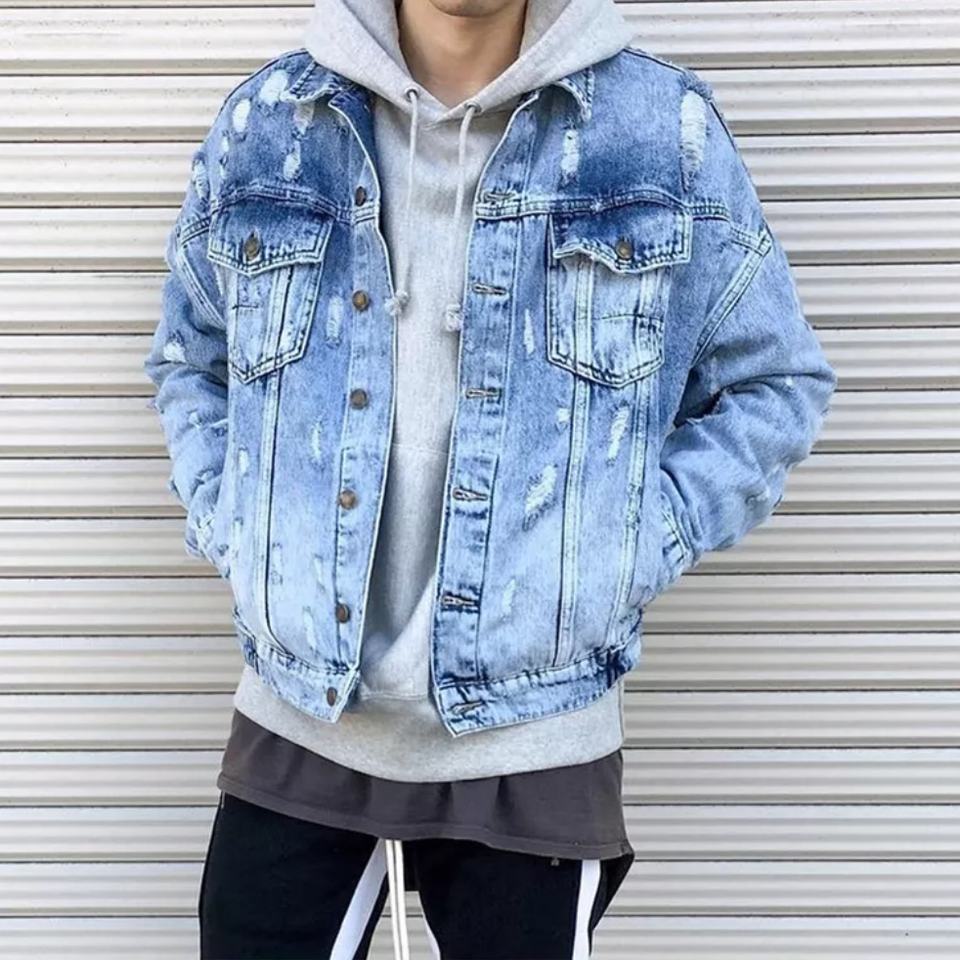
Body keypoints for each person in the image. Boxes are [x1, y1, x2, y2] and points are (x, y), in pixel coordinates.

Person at [143, 0, 839, 956]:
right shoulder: (271, 124)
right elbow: (193, 360)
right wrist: (240, 528)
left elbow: (774, 384)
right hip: (302, 707)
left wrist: (627, 544)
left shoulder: (659, 132)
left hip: (535, 726)